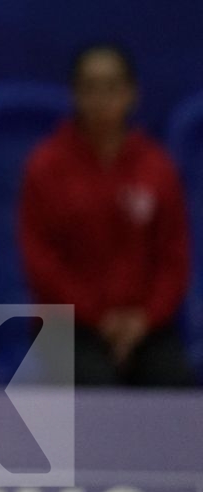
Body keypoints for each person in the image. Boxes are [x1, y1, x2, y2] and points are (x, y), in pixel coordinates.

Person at [18, 44, 194, 387]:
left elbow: (174, 258)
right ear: (75, 94)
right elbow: (41, 261)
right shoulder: (45, 166)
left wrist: (144, 320)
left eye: (112, 87)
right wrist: (99, 318)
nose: (101, 99)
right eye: (90, 87)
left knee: (175, 383)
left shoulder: (157, 167)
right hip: (66, 325)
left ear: (131, 93)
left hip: (146, 326)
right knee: (95, 389)